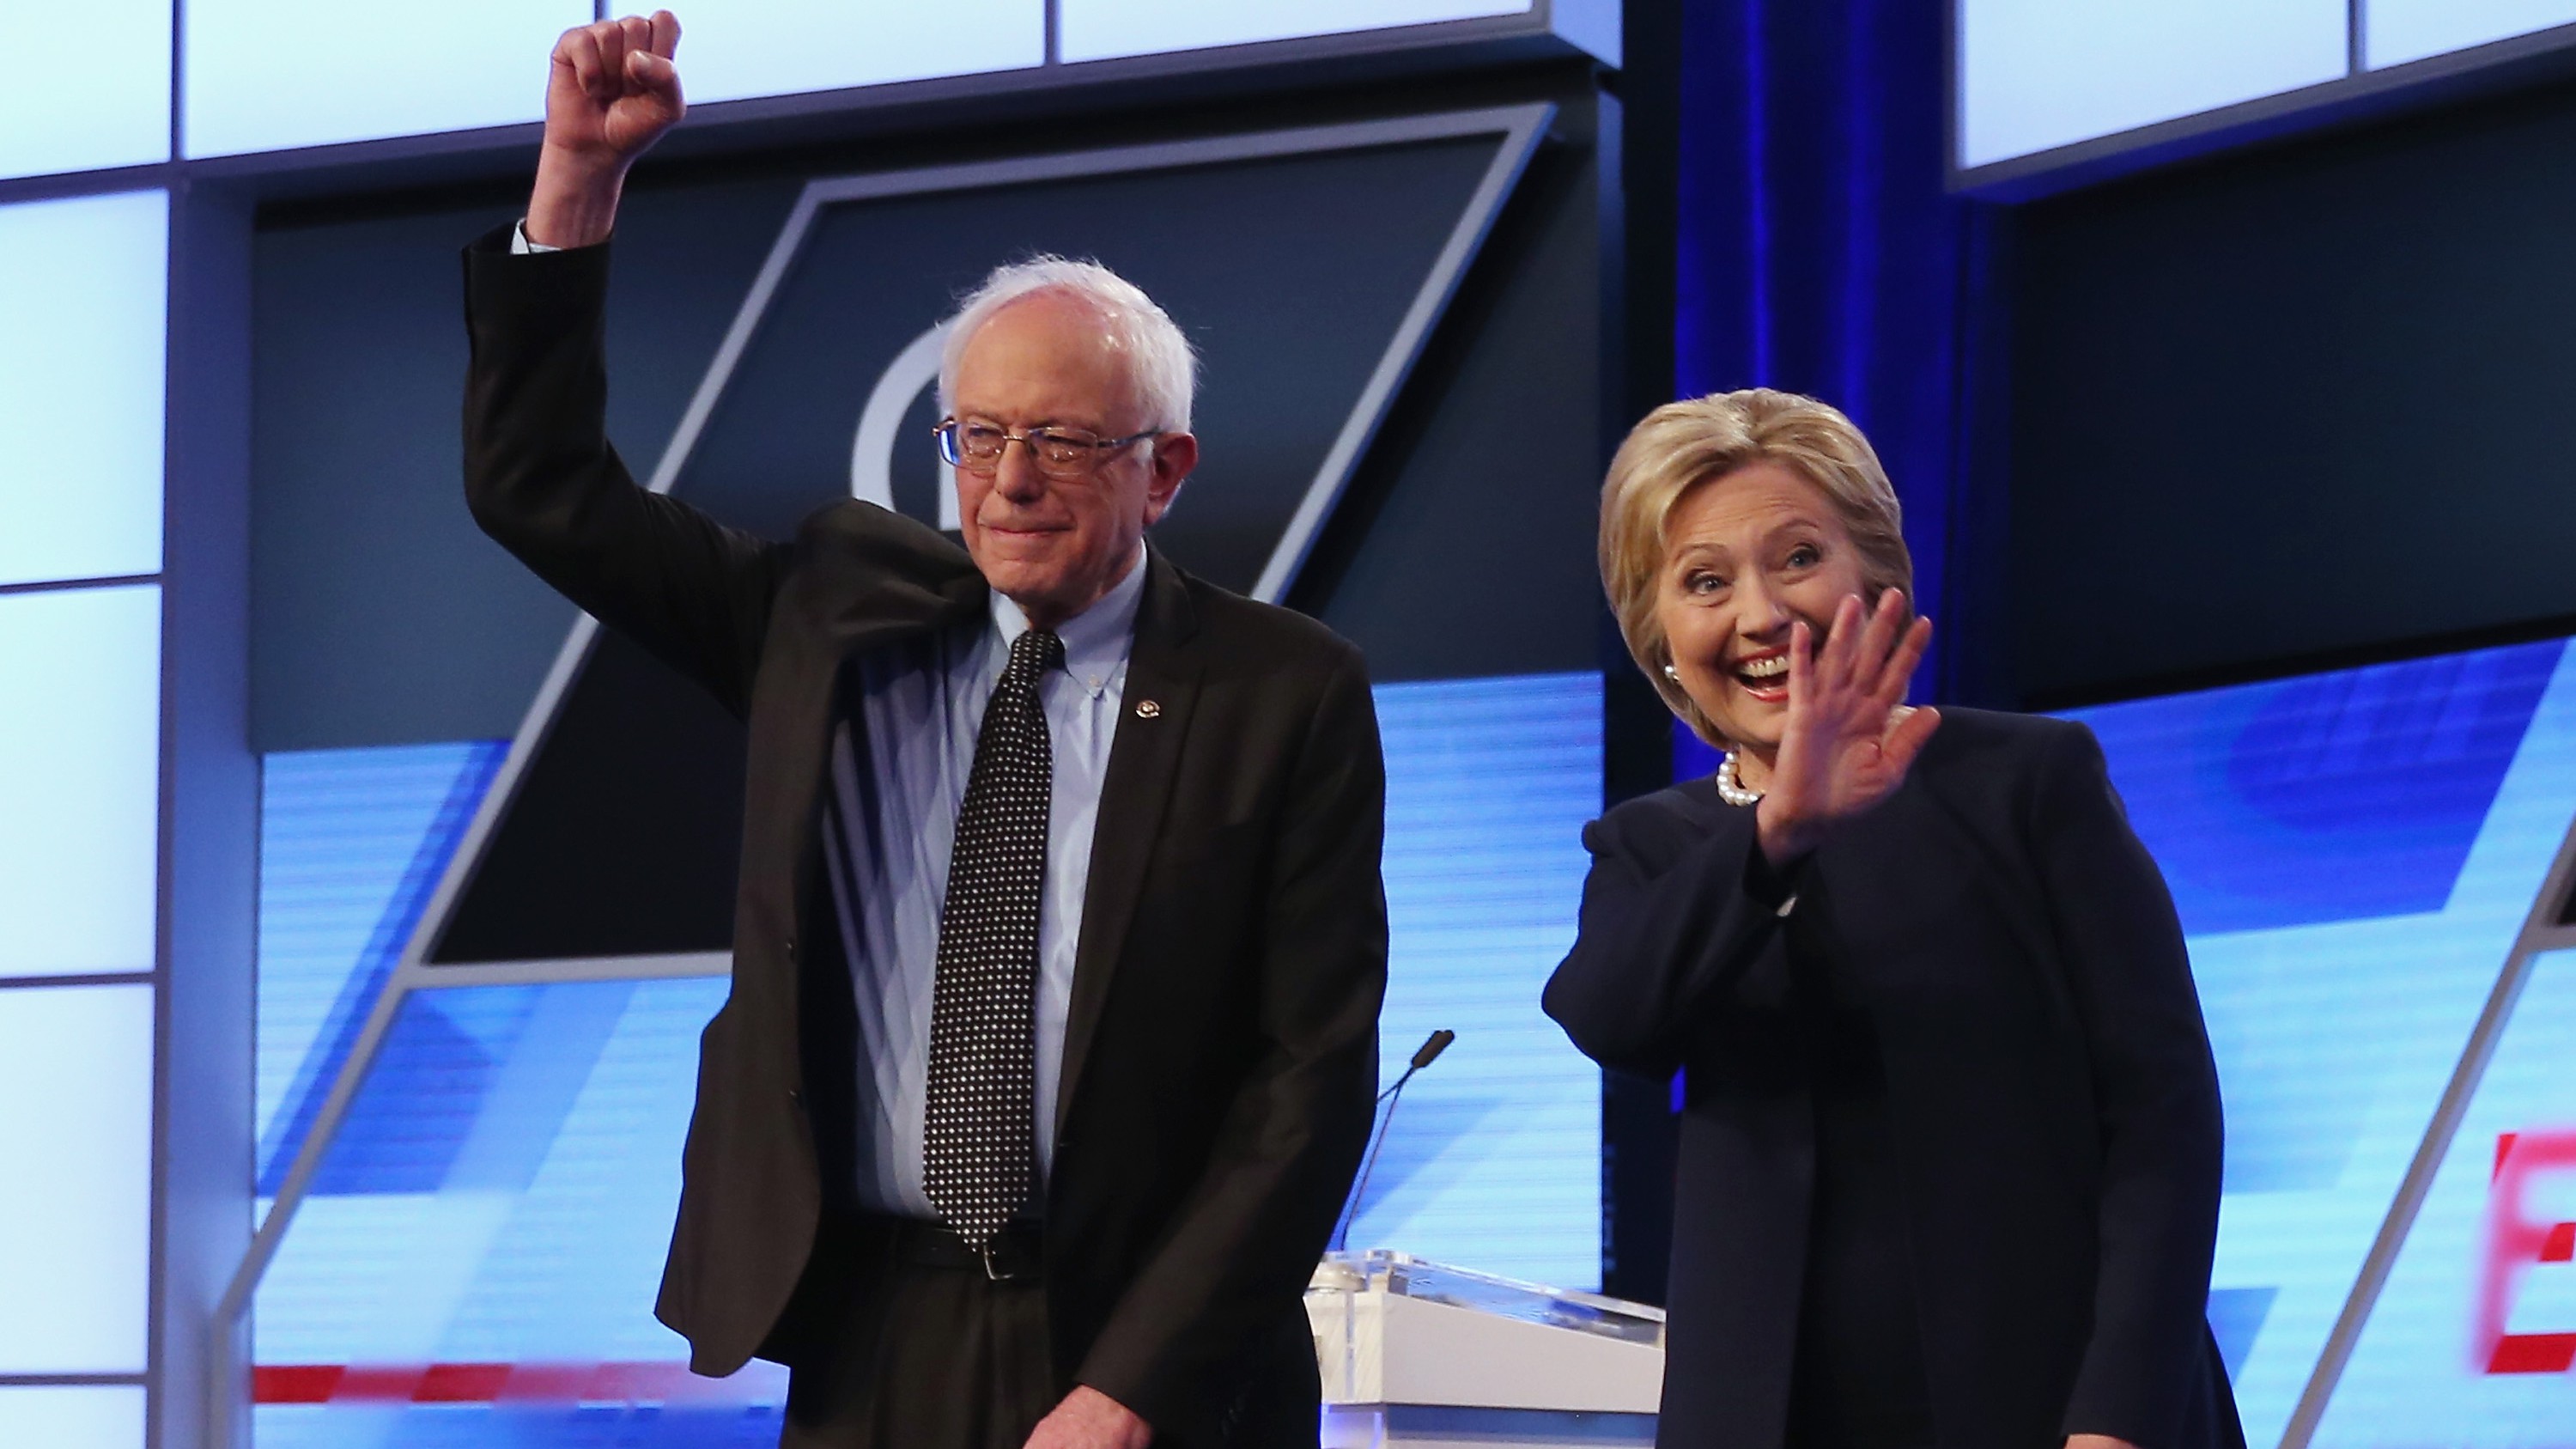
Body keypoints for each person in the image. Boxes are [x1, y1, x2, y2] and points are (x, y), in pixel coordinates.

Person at [461, 14, 1389, 1448]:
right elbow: (543, 492)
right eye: (977, 437)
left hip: (1142, 1350)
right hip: (875, 1332)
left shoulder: (1281, 693)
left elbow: (1306, 1080)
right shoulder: (831, 621)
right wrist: (575, 190)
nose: (1010, 482)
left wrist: (1134, 1386)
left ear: (1166, 470)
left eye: (1066, 443)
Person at [1543, 391, 2244, 1449]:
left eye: (1796, 558)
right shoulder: (1652, 844)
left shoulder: (2027, 781)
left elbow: (2164, 1116)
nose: (1760, 616)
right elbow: (1608, 1015)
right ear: (1661, 637)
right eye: (1703, 581)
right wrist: (1779, 828)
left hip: (2053, 1401)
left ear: (1875, 575)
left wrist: (2119, 1416)